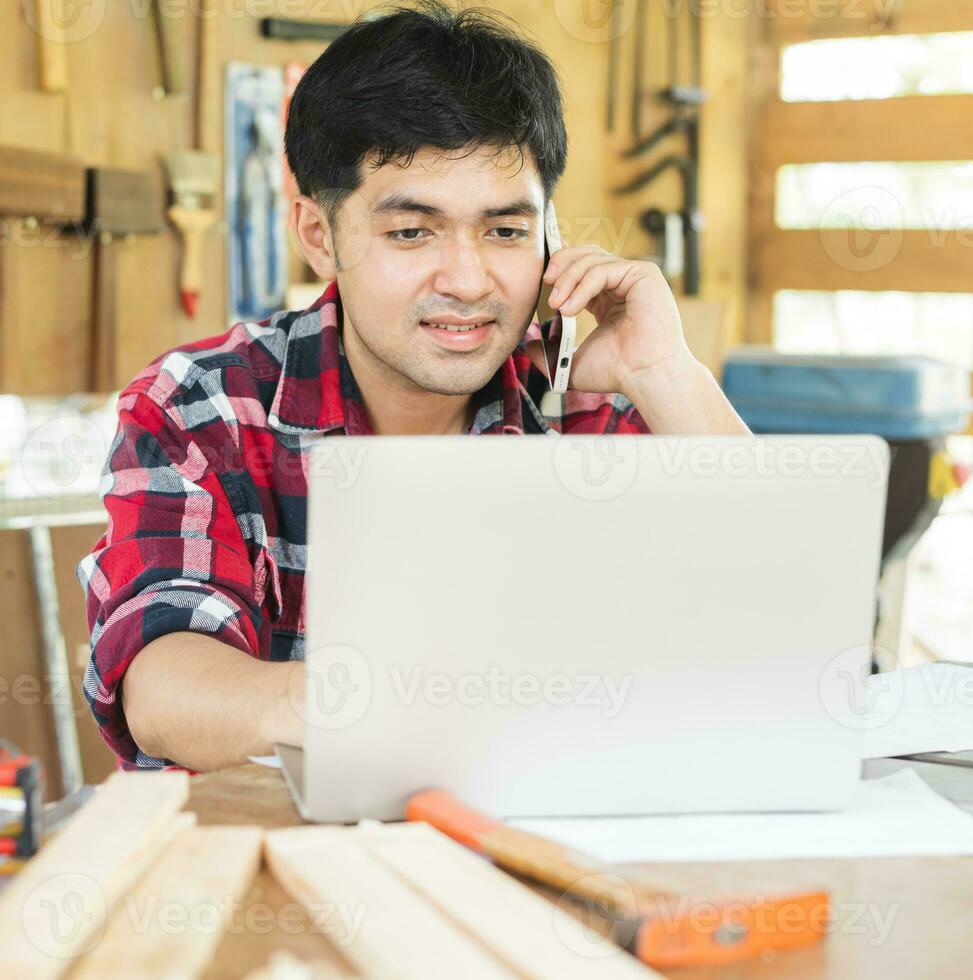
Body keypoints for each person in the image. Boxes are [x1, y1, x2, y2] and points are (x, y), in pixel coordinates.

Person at [80, 2, 748, 772]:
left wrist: (666, 372)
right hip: (276, 863)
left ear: (550, 236)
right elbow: (165, 695)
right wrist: (433, 711)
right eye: (410, 232)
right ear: (319, 236)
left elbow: (787, 633)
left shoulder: (588, 403)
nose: (468, 282)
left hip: (543, 859)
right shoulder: (206, 404)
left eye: (505, 231)